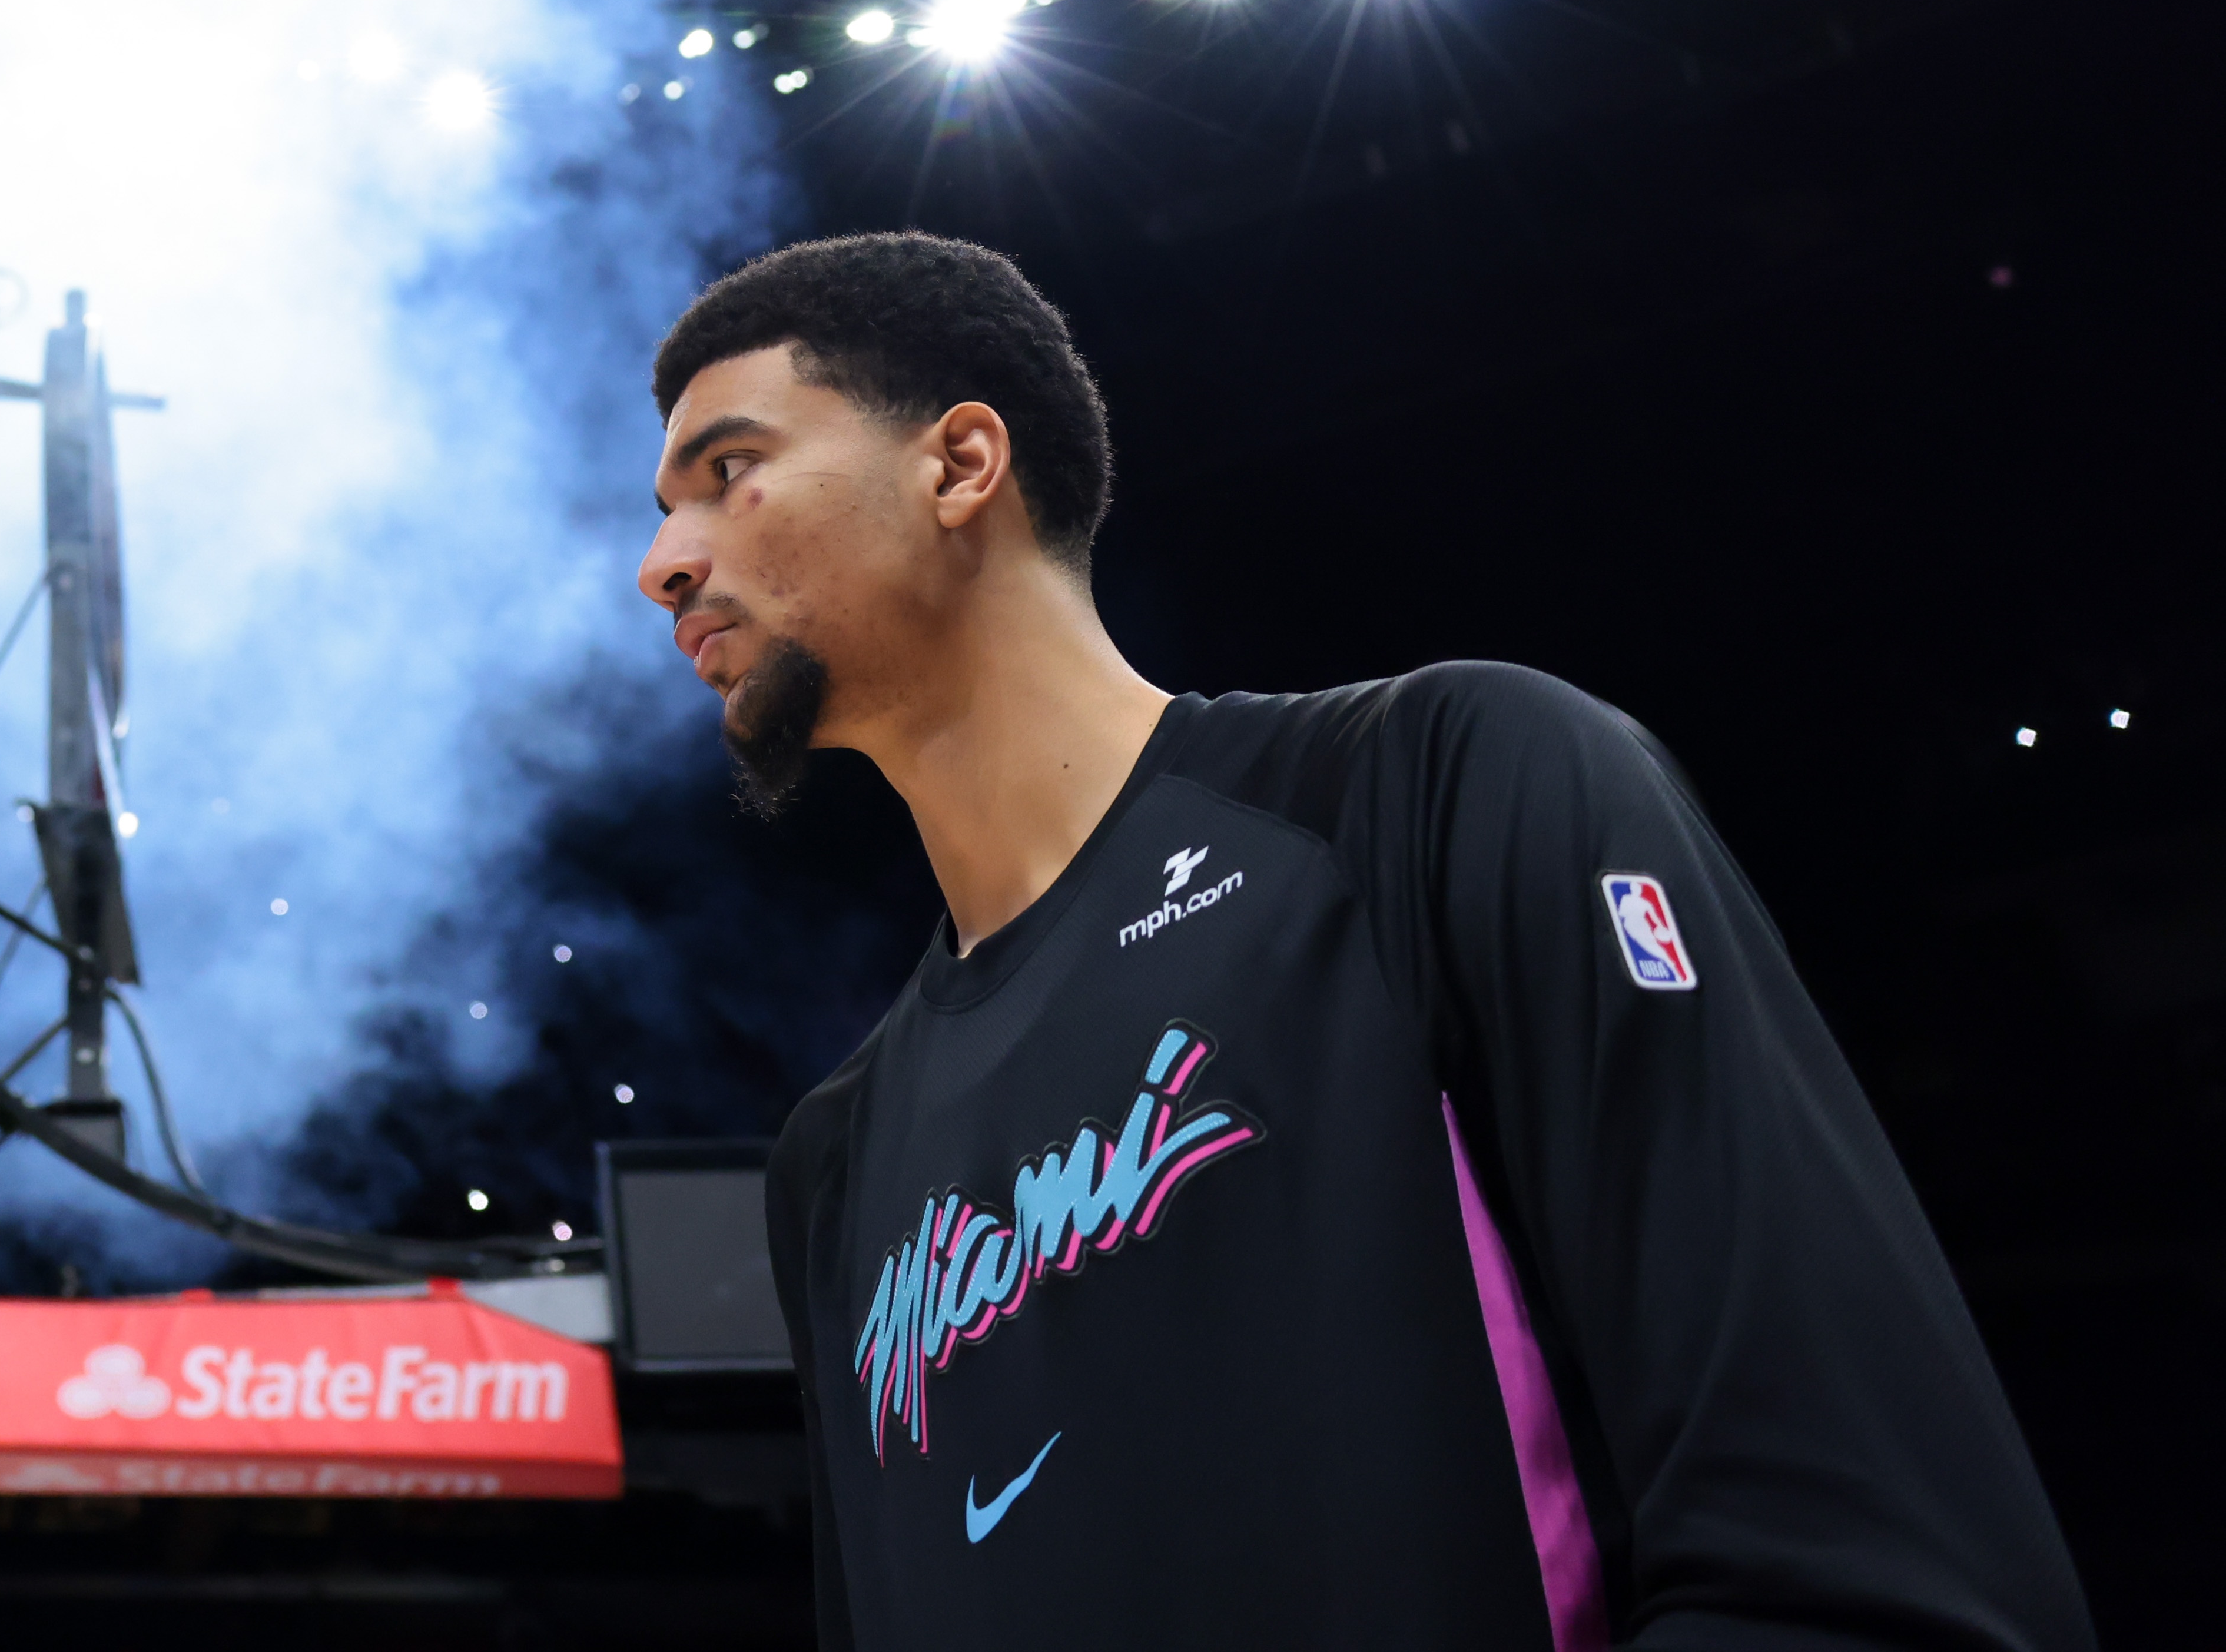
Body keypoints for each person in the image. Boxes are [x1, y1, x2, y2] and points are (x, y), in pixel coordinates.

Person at [633, 230, 2089, 1651]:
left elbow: (1865, 1565)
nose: (662, 563)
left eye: (728, 470)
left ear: (959, 462)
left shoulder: (1435, 785)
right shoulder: (832, 1160)